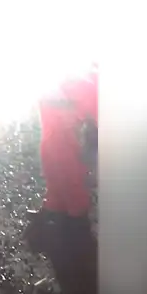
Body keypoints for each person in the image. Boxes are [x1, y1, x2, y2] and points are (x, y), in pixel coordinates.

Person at [26, 64, 98, 236]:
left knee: (69, 168)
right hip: (53, 123)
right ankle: (55, 207)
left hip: (70, 125)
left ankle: (77, 217)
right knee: (52, 165)